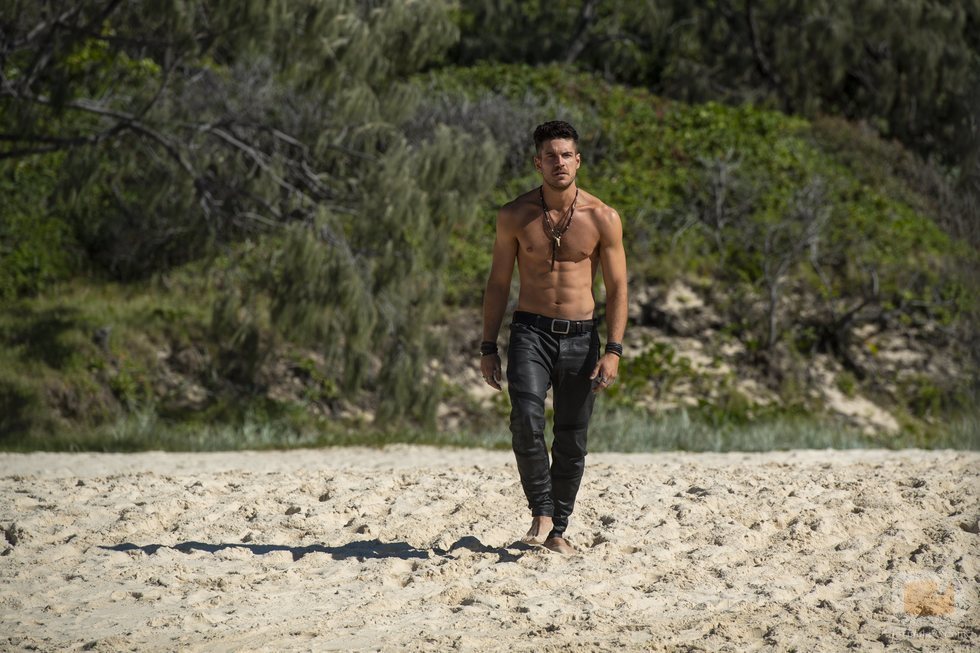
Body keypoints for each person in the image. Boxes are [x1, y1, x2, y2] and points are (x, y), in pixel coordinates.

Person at [480, 120, 628, 555]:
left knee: (572, 436)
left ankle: (558, 527)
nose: (558, 162)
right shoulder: (514, 215)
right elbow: (497, 284)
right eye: (550, 156)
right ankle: (541, 512)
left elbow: (618, 288)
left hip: (583, 337)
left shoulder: (603, 218)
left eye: (566, 155)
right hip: (530, 331)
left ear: (577, 160)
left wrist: (614, 351)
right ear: (537, 162)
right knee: (525, 419)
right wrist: (488, 346)